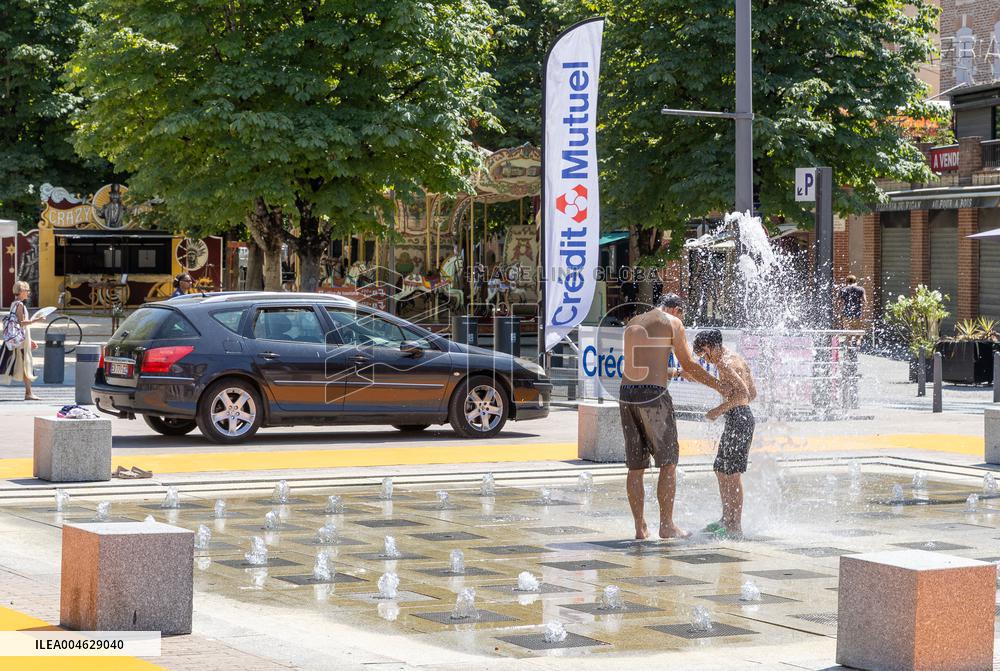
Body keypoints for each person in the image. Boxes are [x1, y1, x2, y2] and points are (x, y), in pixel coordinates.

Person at [619, 293, 725, 540]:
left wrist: (675, 373)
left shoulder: (633, 322)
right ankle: (667, 525)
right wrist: (718, 385)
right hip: (655, 397)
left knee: (636, 467)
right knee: (668, 463)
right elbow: (689, 362)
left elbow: (642, 365)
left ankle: (639, 528)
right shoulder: (672, 323)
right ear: (676, 310)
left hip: (626, 394)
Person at [693, 329, 756, 539]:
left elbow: (745, 395)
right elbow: (753, 392)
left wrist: (718, 410)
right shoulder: (735, 357)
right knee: (721, 469)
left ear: (712, 347)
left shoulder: (724, 364)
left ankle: (735, 525)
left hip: (740, 420)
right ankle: (726, 517)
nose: (706, 360)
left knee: (733, 474)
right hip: (741, 419)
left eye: (704, 354)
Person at [0, 281, 43, 400]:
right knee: (26, 363)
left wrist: (31, 340)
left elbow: (20, 326)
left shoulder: (14, 303)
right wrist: (37, 320)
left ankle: (28, 393)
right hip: (21, 341)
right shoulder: (20, 305)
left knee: (22, 364)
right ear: (21, 291)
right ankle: (28, 393)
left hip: (20, 339)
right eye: (27, 290)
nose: (28, 292)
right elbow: (22, 323)